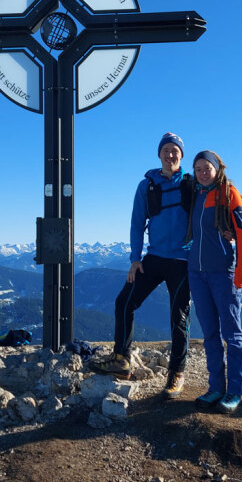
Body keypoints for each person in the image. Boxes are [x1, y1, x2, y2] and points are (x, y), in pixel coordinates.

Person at [93, 132, 191, 396]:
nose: (170, 155)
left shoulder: (191, 185)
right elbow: (137, 224)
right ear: (159, 154)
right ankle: (121, 360)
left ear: (181, 156)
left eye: (175, 151)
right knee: (124, 301)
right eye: (166, 150)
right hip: (154, 258)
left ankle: (176, 372)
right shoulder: (146, 186)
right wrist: (135, 259)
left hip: (183, 260)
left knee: (178, 317)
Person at [186, 150, 242, 414]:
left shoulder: (230, 194)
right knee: (210, 334)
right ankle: (216, 387)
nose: (202, 172)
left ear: (217, 168)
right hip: (197, 273)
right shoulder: (195, 194)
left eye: (206, 168)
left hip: (224, 272)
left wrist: (241, 274)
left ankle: (234, 391)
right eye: (198, 168)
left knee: (232, 335)